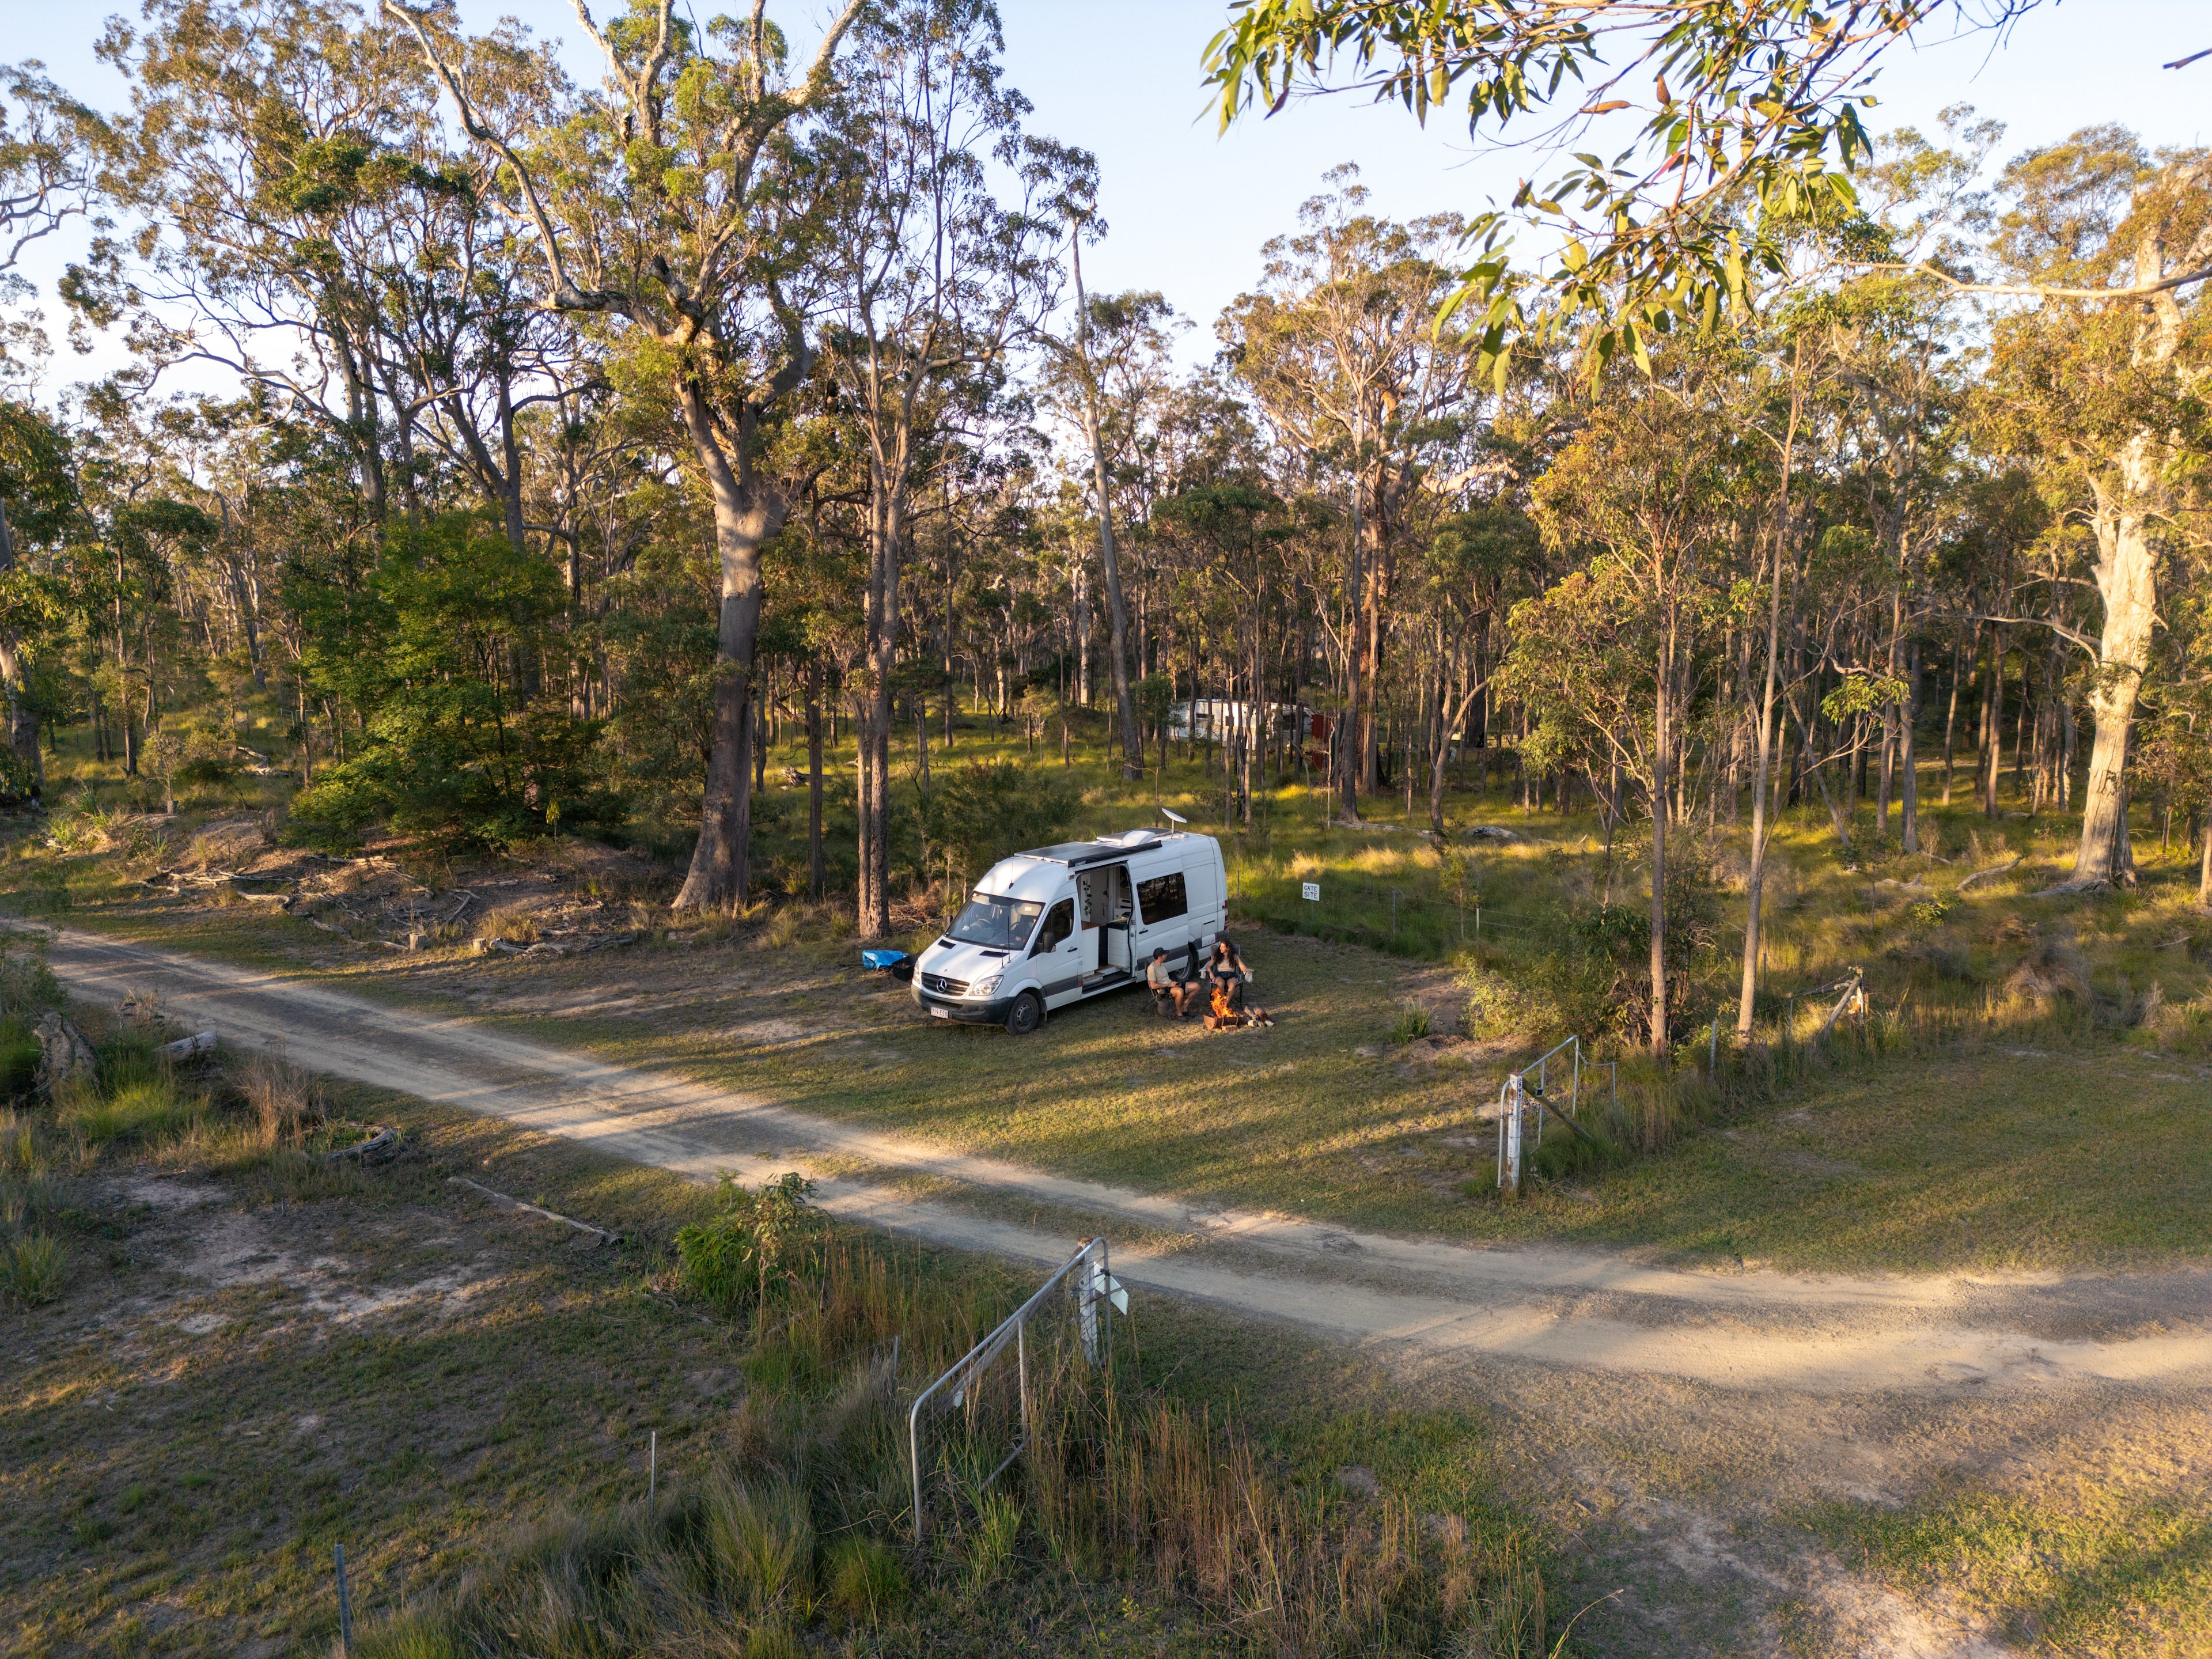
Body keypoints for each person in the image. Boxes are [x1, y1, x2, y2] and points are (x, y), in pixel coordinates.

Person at [1147, 948, 1199, 1017]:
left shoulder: (1162, 964)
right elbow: (1153, 986)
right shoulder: (1152, 968)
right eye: (1165, 954)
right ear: (1160, 957)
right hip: (1164, 989)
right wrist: (1169, 985)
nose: (1166, 955)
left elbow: (1166, 978)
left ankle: (1184, 1008)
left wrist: (1174, 983)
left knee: (1197, 986)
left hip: (1171, 985)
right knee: (1180, 992)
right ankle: (1179, 1013)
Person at [1206, 936, 1252, 1014]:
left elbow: (1242, 966)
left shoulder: (1235, 956)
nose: (1221, 948)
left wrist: (1246, 969)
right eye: (1220, 946)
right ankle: (1223, 1003)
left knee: (1232, 986)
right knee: (1220, 984)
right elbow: (1208, 966)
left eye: (1223, 947)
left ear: (1228, 948)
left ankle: (1225, 1004)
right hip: (1219, 975)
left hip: (1232, 975)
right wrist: (1211, 974)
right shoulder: (1217, 956)